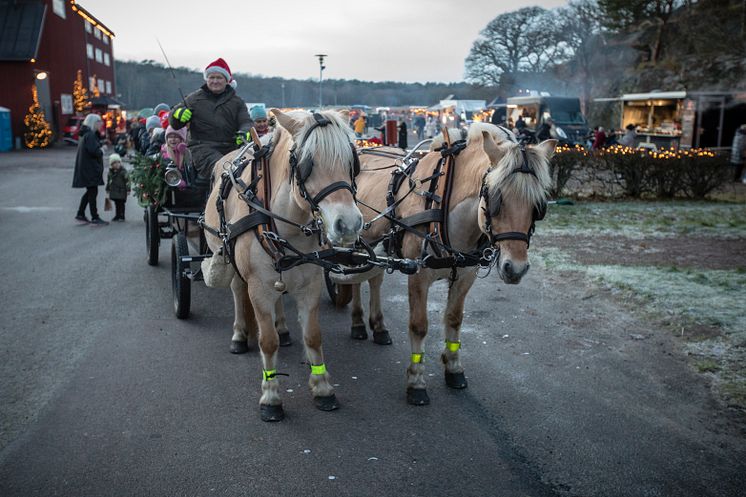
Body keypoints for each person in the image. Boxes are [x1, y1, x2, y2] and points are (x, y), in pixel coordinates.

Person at [169, 57, 251, 181]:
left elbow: (246, 121)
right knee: (223, 168)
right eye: (211, 77)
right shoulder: (194, 98)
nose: (215, 81)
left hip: (231, 147)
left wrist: (245, 132)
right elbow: (174, 122)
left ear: (227, 81)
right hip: (202, 148)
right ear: (207, 79)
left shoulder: (237, 102)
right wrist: (177, 115)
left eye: (219, 78)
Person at [72, 113, 108, 225]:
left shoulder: (85, 134)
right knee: (93, 192)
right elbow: (95, 152)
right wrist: (102, 150)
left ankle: (80, 213)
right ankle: (94, 217)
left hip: (86, 168)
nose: (101, 124)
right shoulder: (90, 135)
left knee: (90, 192)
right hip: (90, 169)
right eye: (99, 122)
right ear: (94, 122)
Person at [105, 153, 130, 221]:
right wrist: (107, 189)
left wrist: (128, 189)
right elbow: (109, 181)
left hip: (121, 191)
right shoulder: (111, 172)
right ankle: (117, 215)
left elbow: (127, 181)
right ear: (111, 165)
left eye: (118, 162)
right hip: (114, 191)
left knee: (121, 204)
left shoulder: (123, 172)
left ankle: (122, 215)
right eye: (114, 163)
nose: (116, 164)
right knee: (117, 204)